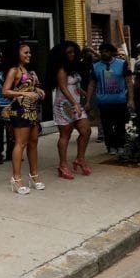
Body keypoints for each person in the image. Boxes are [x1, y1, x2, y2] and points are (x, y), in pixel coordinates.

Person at [2, 41, 46, 194]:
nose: (29, 55)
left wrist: (37, 89)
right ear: (17, 54)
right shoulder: (14, 71)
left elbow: (29, 87)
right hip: (19, 111)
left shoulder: (29, 71)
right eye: (25, 52)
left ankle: (34, 175)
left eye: (30, 52)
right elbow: (5, 91)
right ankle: (16, 178)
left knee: (33, 142)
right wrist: (24, 93)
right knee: (20, 143)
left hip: (32, 110)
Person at [47, 41, 92, 179]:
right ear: (62, 55)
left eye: (73, 52)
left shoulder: (73, 68)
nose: (72, 55)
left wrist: (82, 93)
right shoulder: (61, 69)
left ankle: (80, 158)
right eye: (69, 53)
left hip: (75, 104)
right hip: (64, 106)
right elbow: (63, 87)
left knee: (86, 131)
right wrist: (75, 103)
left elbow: (73, 86)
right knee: (65, 136)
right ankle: (63, 165)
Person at [86, 43, 135, 155]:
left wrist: (131, 99)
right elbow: (91, 84)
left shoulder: (122, 64)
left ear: (112, 52)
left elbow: (129, 82)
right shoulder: (96, 66)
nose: (104, 53)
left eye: (107, 51)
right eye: (102, 51)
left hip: (120, 101)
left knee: (120, 125)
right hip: (104, 102)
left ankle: (120, 145)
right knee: (106, 126)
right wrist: (88, 101)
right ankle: (110, 146)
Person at [80, 47, 103, 143]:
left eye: (90, 53)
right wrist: (82, 92)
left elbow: (102, 58)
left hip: (95, 92)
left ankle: (101, 134)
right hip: (83, 91)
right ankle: (84, 133)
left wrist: (92, 50)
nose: (89, 55)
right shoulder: (80, 64)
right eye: (86, 53)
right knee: (84, 115)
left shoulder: (95, 63)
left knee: (98, 114)